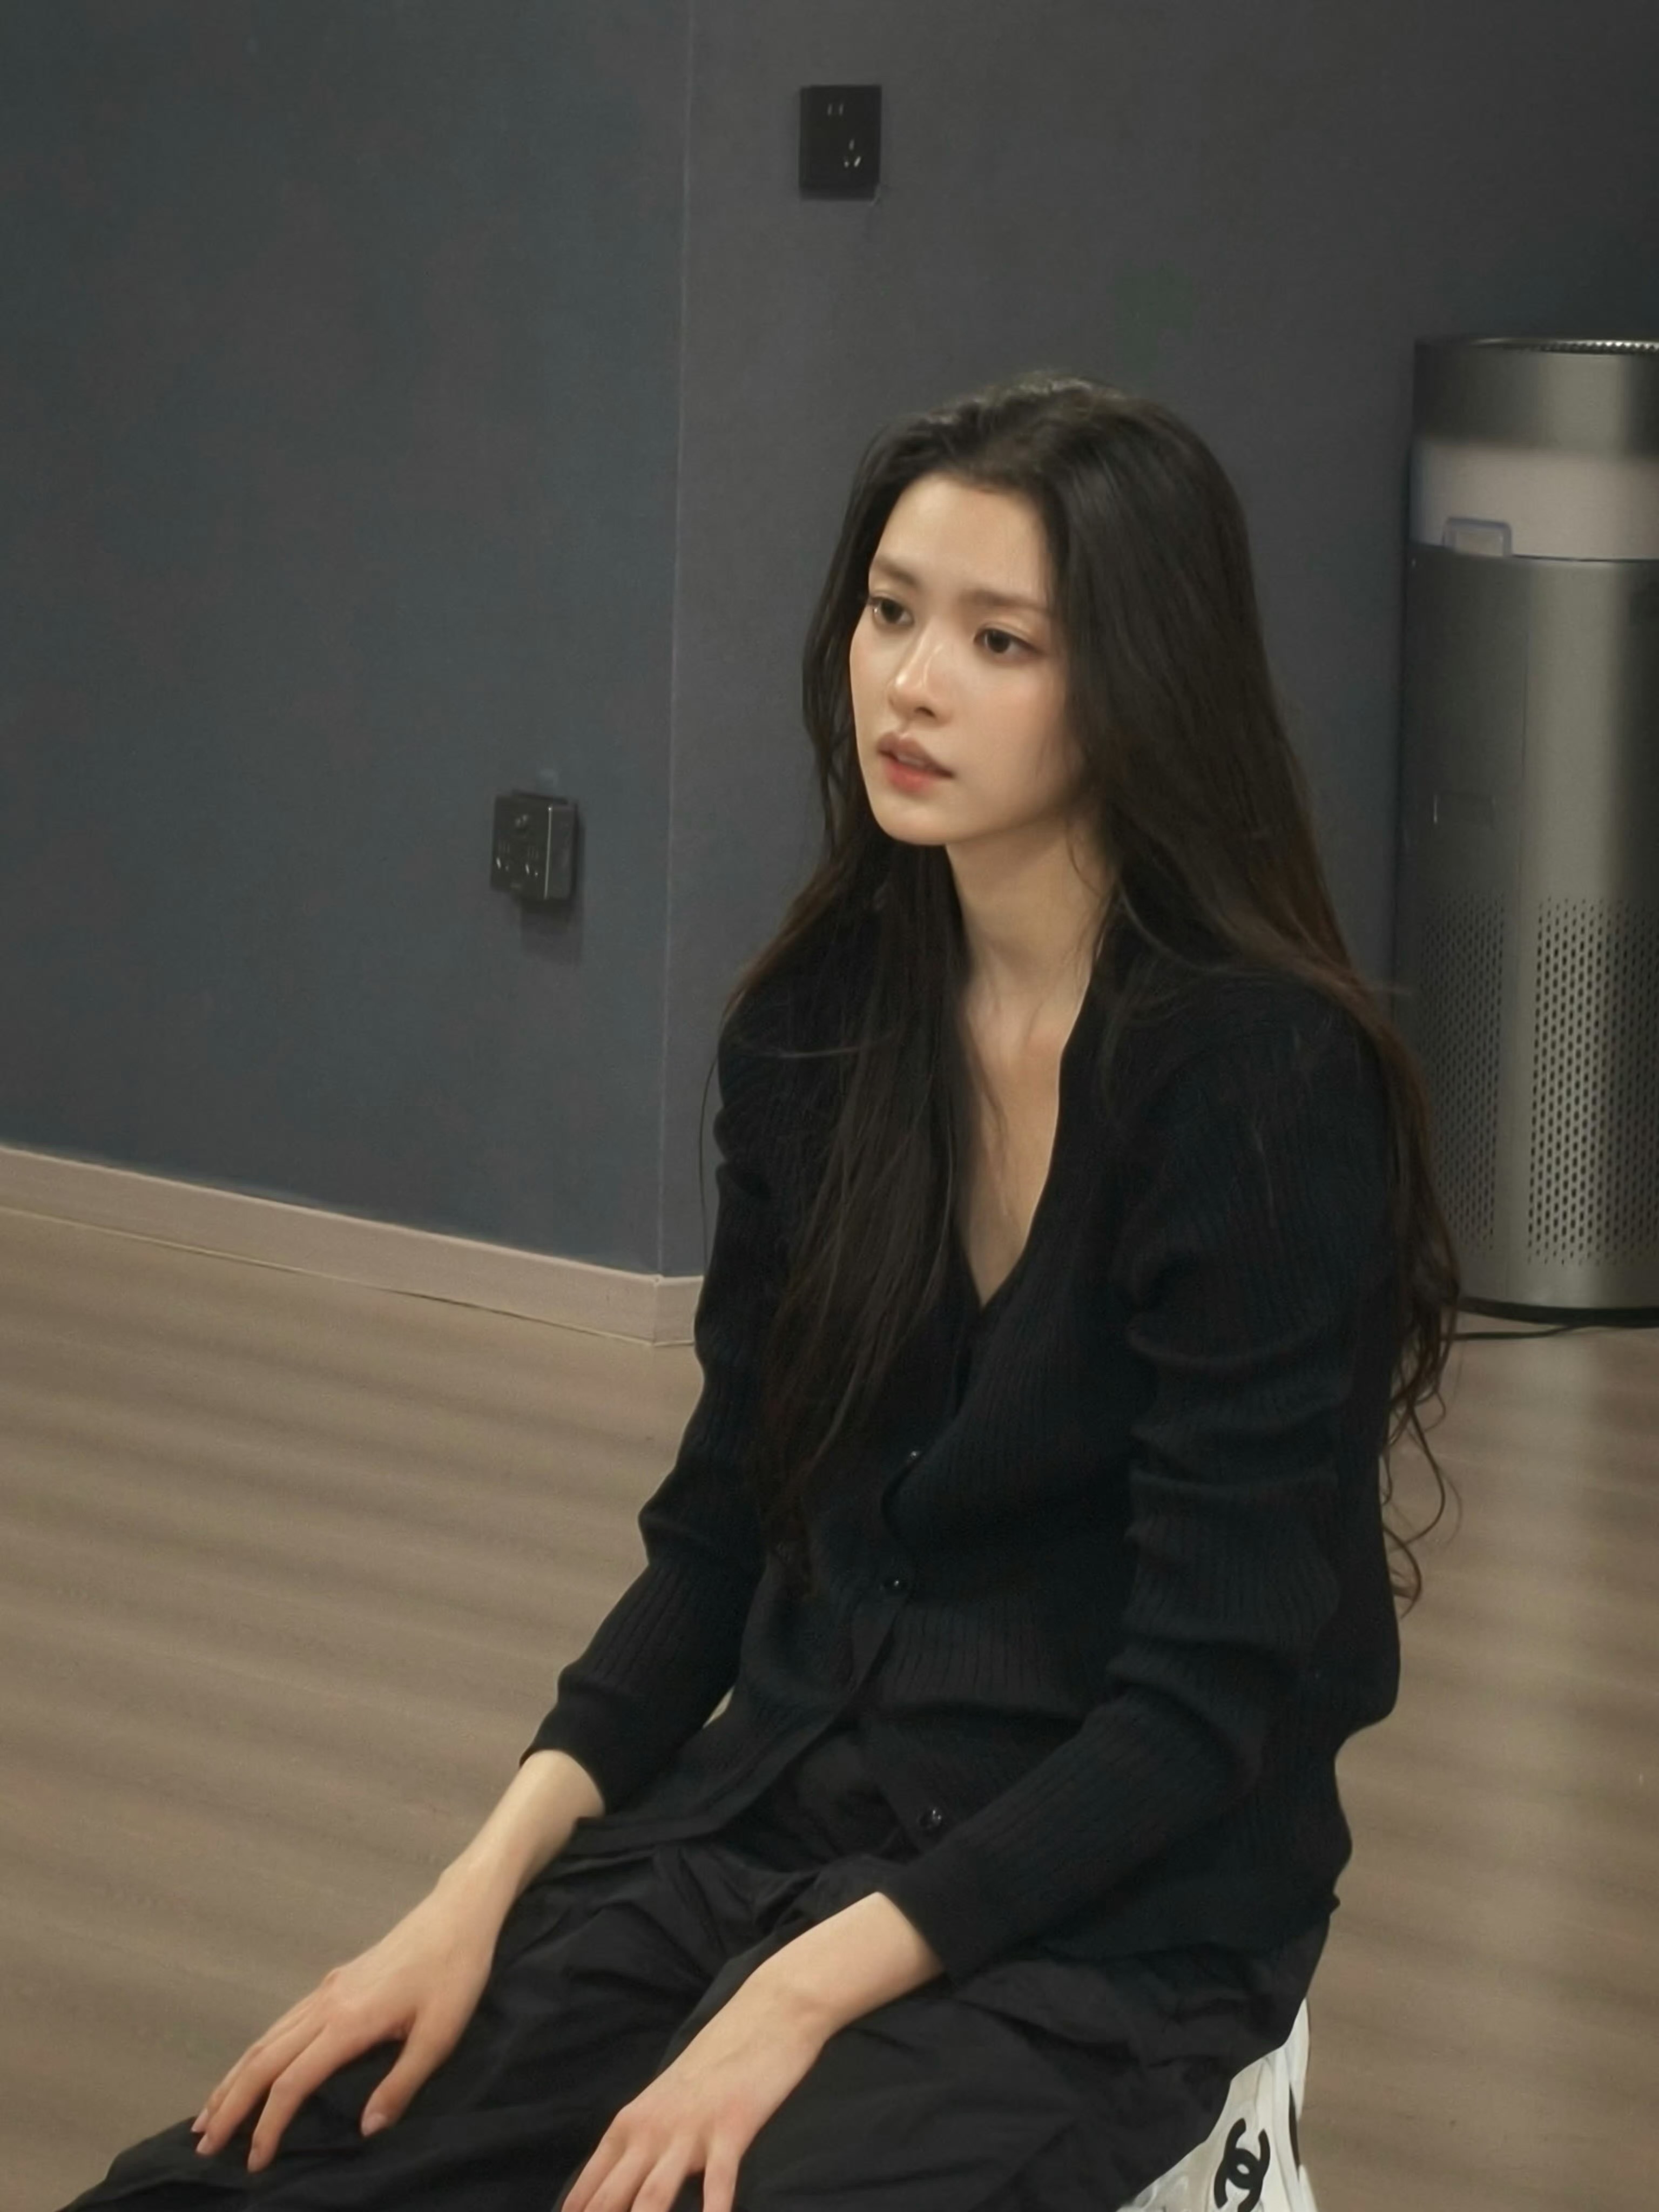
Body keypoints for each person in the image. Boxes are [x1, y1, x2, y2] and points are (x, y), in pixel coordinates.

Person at [57, 370, 1459, 2212]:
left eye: (1001, 640)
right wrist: (468, 1898)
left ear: (1138, 680)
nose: (911, 684)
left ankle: (1213, 2134)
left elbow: (1206, 1707)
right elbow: (726, 1529)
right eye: (890, 612)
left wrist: (787, 2000)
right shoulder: (817, 1026)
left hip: (1111, 1909)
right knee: (218, 2181)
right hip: (776, 1815)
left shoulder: (1259, 1079)